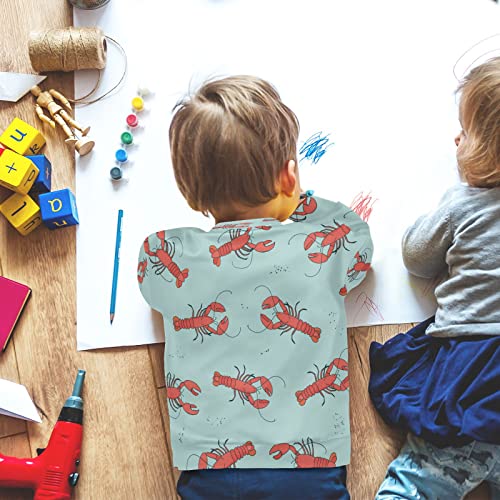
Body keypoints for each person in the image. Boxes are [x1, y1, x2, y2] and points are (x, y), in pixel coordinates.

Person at [137, 75, 373, 499]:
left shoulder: (168, 253)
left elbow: (151, 277)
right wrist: (300, 200)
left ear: (190, 193)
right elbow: (358, 242)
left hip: (208, 467)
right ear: (288, 177)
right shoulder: (321, 248)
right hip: (311, 464)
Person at [369, 57, 500, 499]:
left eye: (467, 132)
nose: (456, 139)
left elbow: (415, 257)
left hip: (468, 385)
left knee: (420, 480)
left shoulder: (464, 204)